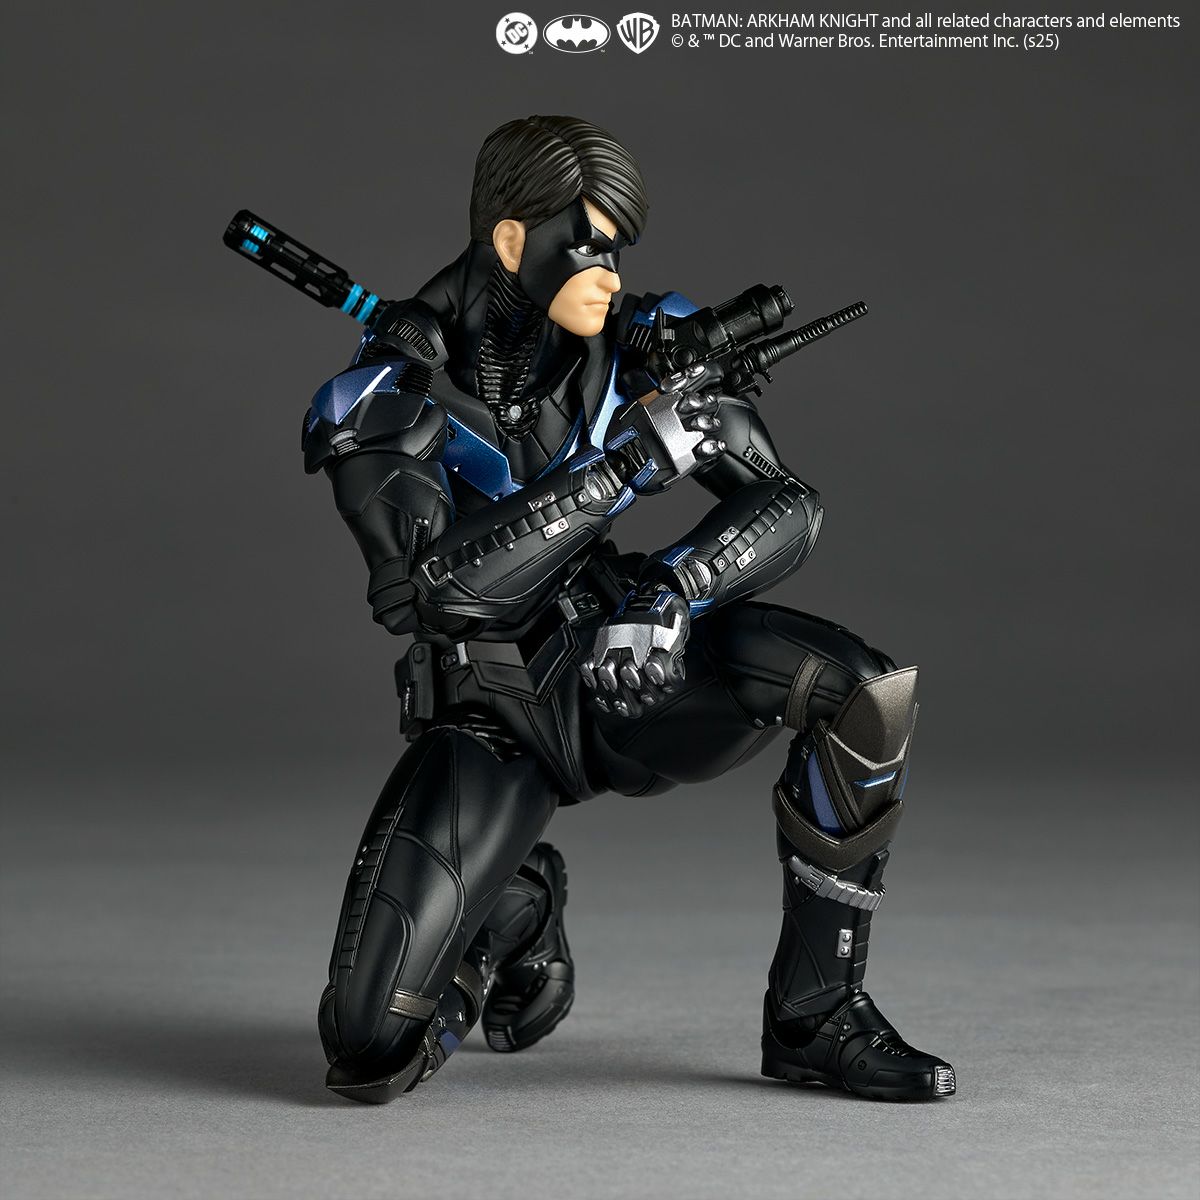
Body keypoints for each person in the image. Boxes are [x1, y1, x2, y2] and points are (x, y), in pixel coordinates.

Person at [302, 114, 955, 1103]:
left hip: (626, 666)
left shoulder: (638, 343)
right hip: (491, 712)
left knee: (864, 693)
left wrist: (673, 590)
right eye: (590, 246)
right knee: (367, 1050)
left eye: (619, 250)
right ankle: (515, 909)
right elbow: (438, 590)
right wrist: (621, 471)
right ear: (512, 239)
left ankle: (817, 1015)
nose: (610, 274)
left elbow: (786, 502)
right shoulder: (385, 393)